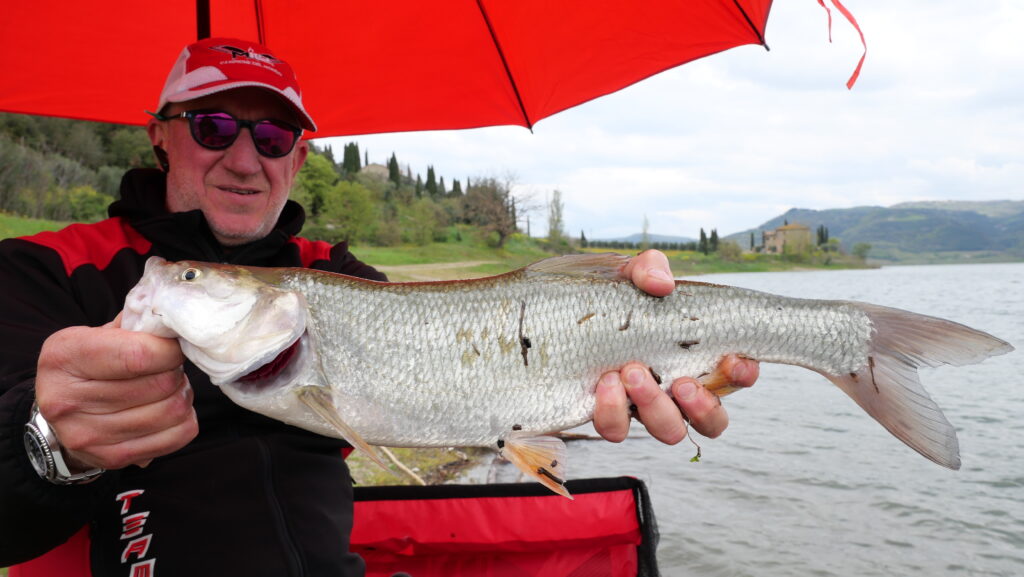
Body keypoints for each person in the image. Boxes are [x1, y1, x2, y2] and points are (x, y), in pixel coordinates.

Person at [0, 37, 758, 574]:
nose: (242, 156)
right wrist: (43, 444)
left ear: (298, 158)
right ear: (160, 136)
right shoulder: (47, 271)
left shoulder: (340, 275)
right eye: (213, 125)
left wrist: (599, 353)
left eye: (271, 135)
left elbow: (464, 398)